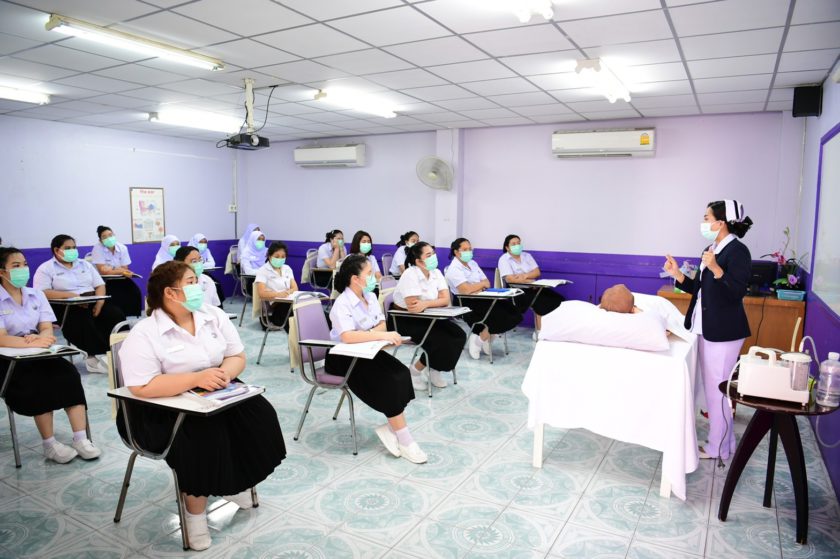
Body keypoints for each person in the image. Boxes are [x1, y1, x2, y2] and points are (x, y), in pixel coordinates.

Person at [117, 261, 286, 551]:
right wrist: (197, 379)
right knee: (204, 437)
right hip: (160, 408)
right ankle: (195, 515)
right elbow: (141, 387)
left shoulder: (212, 315)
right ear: (170, 293)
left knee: (259, 416)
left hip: (213, 392)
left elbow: (236, 356)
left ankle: (233, 484)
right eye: (191, 281)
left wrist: (224, 375)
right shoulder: (145, 333)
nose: (198, 286)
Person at [663, 199, 753, 461]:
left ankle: (717, 448)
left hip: (725, 331)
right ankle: (727, 442)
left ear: (721, 222)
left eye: (707, 217)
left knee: (718, 393)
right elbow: (699, 290)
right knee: (712, 390)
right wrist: (677, 274)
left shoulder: (738, 251)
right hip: (706, 328)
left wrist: (715, 268)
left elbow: (737, 291)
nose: (703, 222)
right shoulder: (710, 248)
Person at [0, 247, 101, 463]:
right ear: (2, 272)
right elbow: (2, 338)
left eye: (25, 264)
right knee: (37, 382)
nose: (23, 269)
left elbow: (46, 327)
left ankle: (80, 438)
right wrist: (30, 342)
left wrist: (40, 338)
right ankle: (50, 444)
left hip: (38, 351)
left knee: (69, 374)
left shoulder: (36, 294)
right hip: (9, 360)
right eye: (16, 266)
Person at [328, 254, 426, 464]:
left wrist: (373, 334)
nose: (373, 277)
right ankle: (405, 440)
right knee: (387, 382)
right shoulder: (342, 304)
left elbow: (382, 324)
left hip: (368, 350)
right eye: (369, 273)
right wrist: (377, 334)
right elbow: (348, 337)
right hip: (344, 357)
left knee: (401, 373)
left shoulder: (370, 297)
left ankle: (391, 427)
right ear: (355, 279)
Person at [33, 234, 126, 374]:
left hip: (91, 300)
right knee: (82, 318)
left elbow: (99, 285)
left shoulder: (85, 264)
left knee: (115, 313)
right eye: (67, 248)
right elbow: (42, 292)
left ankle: (118, 351)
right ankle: (94, 356)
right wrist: (71, 296)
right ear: (56, 250)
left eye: (74, 247)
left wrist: (100, 302)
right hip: (66, 305)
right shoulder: (46, 268)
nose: (72, 251)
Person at [392, 242, 466, 391]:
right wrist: (433, 303)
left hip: (430, 316)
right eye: (428, 255)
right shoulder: (410, 274)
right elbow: (413, 307)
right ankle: (415, 371)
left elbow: (446, 300)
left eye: (433, 253)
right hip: (405, 319)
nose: (433, 257)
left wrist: (425, 304)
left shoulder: (436, 273)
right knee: (439, 339)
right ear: (419, 261)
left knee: (459, 335)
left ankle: (434, 369)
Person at [445, 237, 522, 360]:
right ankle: (479, 340)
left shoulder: (473, 263)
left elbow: (487, 283)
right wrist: (478, 286)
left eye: (470, 249)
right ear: (456, 252)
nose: (468, 252)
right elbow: (465, 290)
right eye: (465, 249)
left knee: (513, 312)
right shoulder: (453, 269)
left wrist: (475, 287)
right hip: (465, 302)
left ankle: (485, 337)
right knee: (499, 315)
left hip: (483, 297)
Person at [498, 234, 563, 337]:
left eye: (518, 243)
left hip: (534, 287)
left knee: (556, 299)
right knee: (540, 301)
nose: (517, 246)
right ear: (507, 247)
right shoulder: (504, 259)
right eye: (513, 244)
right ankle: (539, 332)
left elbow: (537, 272)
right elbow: (510, 279)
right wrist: (529, 280)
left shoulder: (527, 256)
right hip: (517, 291)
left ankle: (551, 330)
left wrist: (524, 276)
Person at [91, 225, 142, 317]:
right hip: (104, 281)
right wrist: (119, 270)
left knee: (135, 292)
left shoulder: (122, 248)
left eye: (110, 235)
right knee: (115, 295)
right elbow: (102, 271)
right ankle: (119, 317)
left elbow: (125, 268)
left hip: (121, 278)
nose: (108, 238)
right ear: (100, 240)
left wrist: (111, 269)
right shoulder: (97, 248)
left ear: (114, 235)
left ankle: (129, 316)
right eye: (104, 237)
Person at [254, 241, 298, 332]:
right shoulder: (263, 270)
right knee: (297, 314)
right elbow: (261, 294)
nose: (280, 259)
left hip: (288, 303)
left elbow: (295, 288)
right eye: (277, 256)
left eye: (283, 257)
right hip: (273, 310)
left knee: (306, 306)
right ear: (270, 256)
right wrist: (279, 294)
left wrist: (287, 292)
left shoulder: (287, 269)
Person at [188, 233, 224, 305]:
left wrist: (199, 265)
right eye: (201, 242)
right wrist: (203, 264)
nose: (203, 244)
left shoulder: (207, 251)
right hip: (190, 273)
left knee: (216, 284)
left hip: (204, 273)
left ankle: (218, 305)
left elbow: (212, 263)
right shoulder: (188, 252)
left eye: (205, 242)